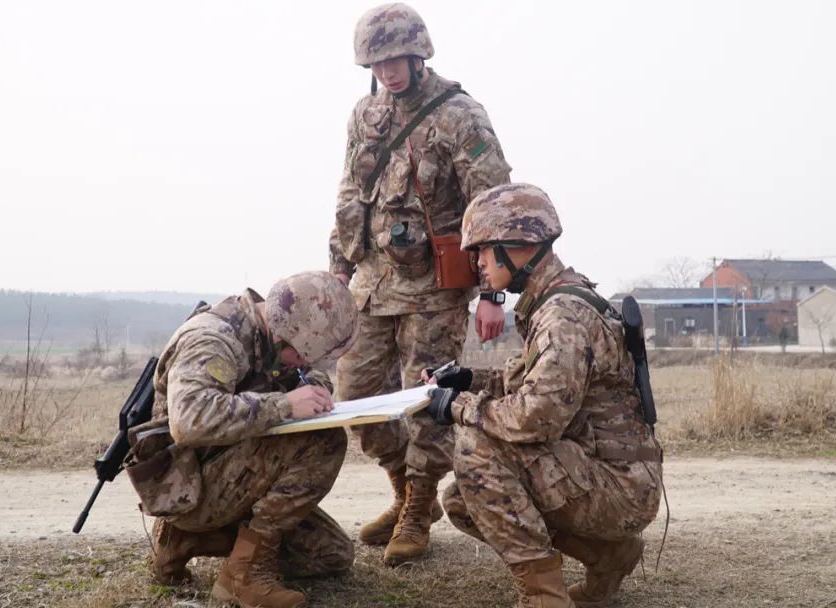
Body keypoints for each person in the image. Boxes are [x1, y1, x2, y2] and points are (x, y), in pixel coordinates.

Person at [329, 2, 513, 566]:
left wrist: (492, 294)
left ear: (418, 53)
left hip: (435, 287)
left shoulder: (460, 115)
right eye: (377, 63)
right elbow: (349, 195)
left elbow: (492, 204)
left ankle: (417, 508)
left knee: (426, 401)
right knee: (355, 395)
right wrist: (337, 272)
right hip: (370, 283)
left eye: (395, 59)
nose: (387, 72)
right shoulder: (365, 115)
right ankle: (405, 489)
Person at [423, 184, 664, 607]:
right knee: (463, 500)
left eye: (484, 250)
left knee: (476, 451)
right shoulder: (557, 299)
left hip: (620, 488)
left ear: (519, 246)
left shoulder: (561, 317)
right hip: (611, 473)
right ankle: (608, 556)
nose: (478, 263)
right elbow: (536, 385)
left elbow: (536, 418)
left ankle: (544, 598)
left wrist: (457, 407)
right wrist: (468, 381)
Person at [126, 271, 358, 608]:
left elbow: (306, 371)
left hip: (223, 474)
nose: (306, 362)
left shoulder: (274, 333)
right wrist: (284, 405)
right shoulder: (212, 339)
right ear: (284, 334)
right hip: (189, 487)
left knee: (332, 554)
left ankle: (185, 540)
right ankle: (243, 575)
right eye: (303, 355)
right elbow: (190, 421)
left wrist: (315, 388)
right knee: (325, 439)